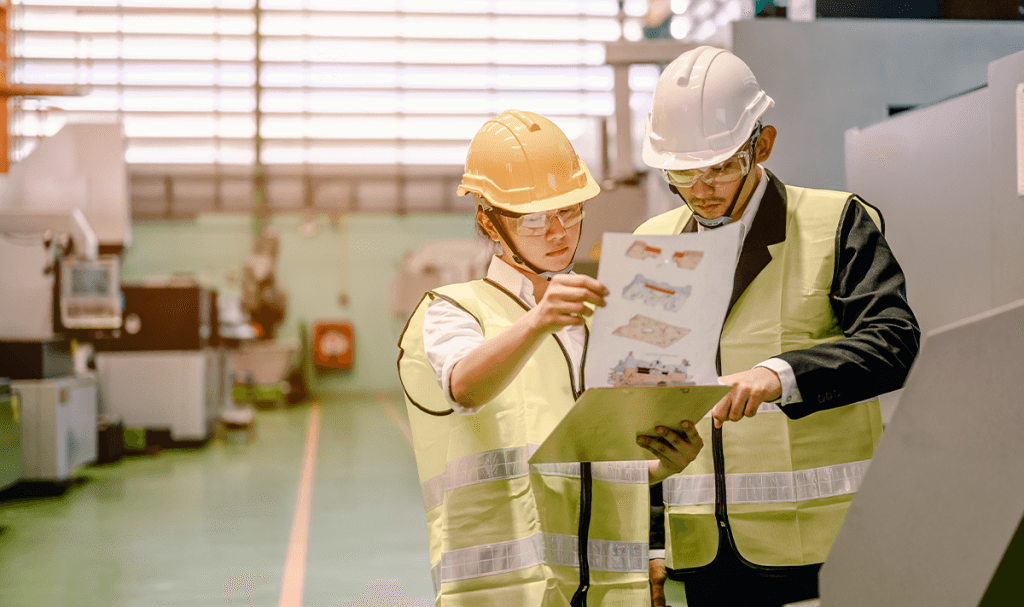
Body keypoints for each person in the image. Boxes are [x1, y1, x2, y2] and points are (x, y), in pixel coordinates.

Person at [636, 47, 921, 607]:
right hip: (700, 555)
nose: (701, 189)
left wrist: (779, 375)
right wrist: (649, 542)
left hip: (819, 544)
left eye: (718, 166)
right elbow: (645, 402)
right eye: (682, 172)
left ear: (760, 146)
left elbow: (893, 340)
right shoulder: (655, 244)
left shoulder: (835, 221)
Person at [398, 109, 705, 606]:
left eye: (570, 211)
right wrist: (538, 320)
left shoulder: (594, 325)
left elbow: (599, 450)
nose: (560, 232)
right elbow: (463, 385)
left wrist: (657, 471)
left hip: (608, 590)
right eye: (536, 218)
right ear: (488, 222)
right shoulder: (453, 310)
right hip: (506, 592)